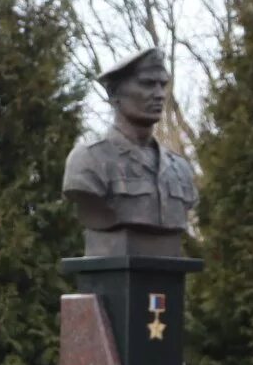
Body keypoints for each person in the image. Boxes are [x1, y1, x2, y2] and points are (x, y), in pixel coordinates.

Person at [63, 46, 198, 239]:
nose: (160, 94)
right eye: (147, 84)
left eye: (163, 85)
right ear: (114, 93)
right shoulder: (88, 160)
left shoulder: (181, 170)